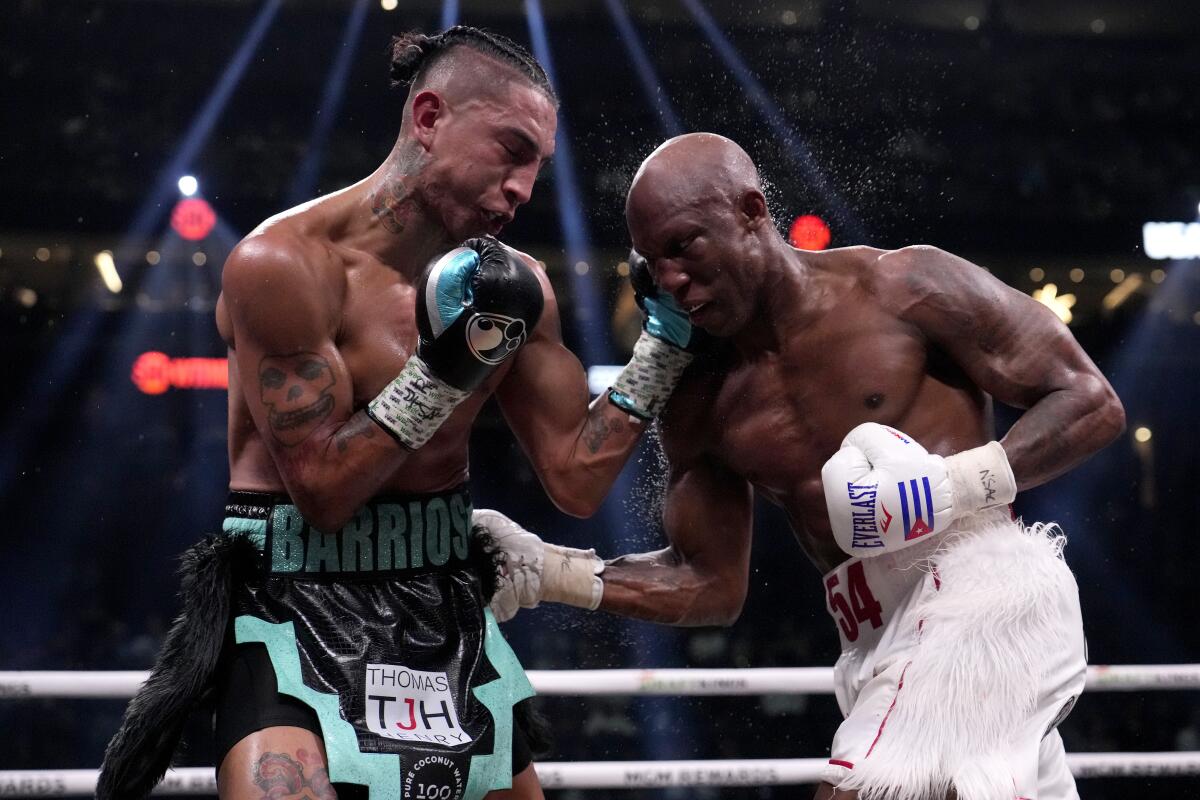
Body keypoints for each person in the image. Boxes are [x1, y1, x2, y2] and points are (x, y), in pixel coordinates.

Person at [98, 27, 695, 800]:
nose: (522, 187)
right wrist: (446, 367)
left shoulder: (521, 289)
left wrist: (664, 348)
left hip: (440, 597)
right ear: (428, 117)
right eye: (511, 151)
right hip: (292, 603)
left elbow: (576, 482)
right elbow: (323, 491)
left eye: (538, 167)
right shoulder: (285, 266)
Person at [479, 133, 1126, 800]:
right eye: (653, 263)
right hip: (872, 641)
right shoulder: (701, 399)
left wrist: (952, 486)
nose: (671, 279)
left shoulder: (903, 288)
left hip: (985, 596)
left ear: (752, 211)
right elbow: (710, 584)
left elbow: (1090, 401)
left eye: (685, 246)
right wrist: (549, 570)